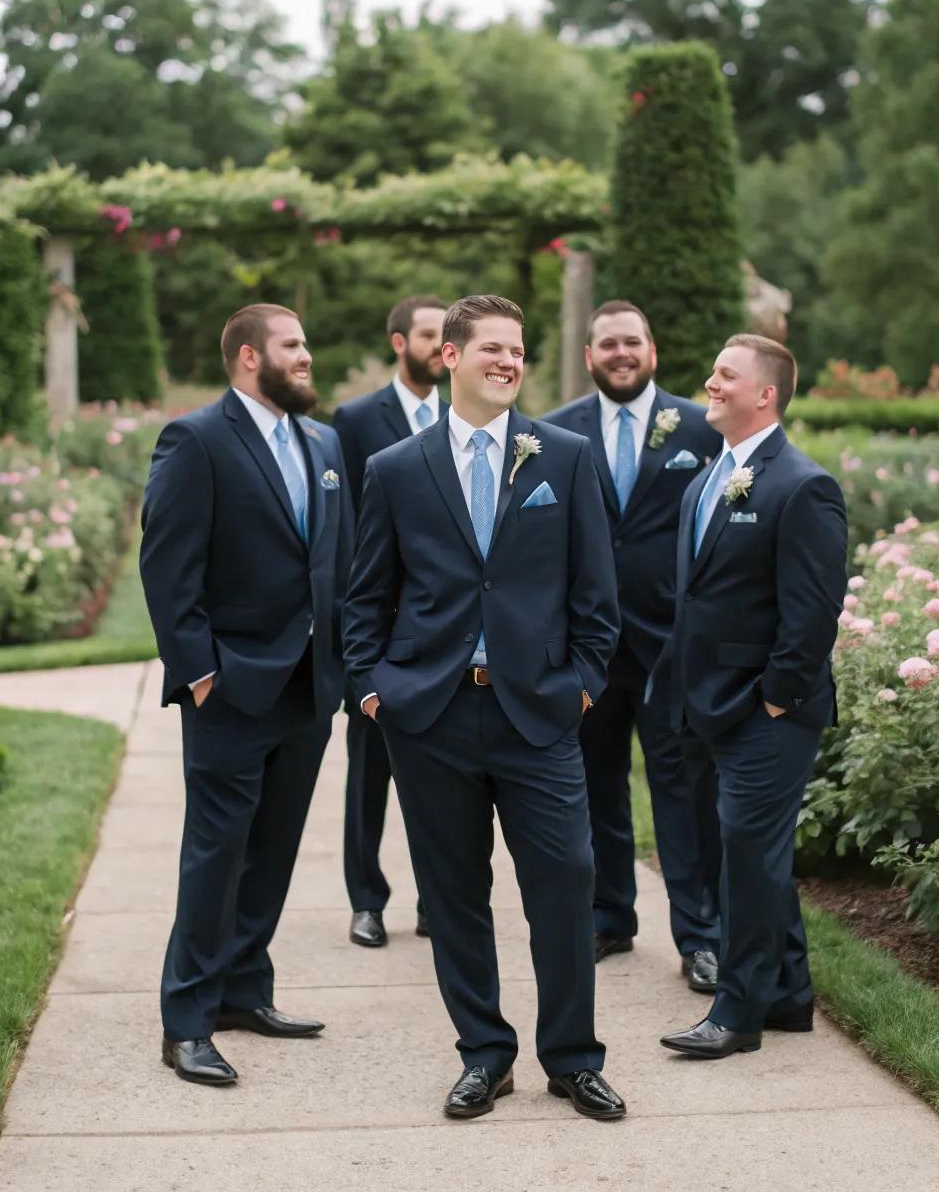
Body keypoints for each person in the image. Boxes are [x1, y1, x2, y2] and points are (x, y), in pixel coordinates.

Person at [343, 294, 626, 1121]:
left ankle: (573, 1059)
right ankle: (484, 1056)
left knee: (566, 884)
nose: (509, 361)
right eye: (493, 349)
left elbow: (596, 593)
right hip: (429, 718)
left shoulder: (564, 457)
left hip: (538, 712)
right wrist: (372, 691)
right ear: (450, 359)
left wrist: (580, 681)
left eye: (519, 351)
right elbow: (368, 597)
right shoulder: (395, 467)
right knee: (455, 895)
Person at [140, 303, 354, 1087]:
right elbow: (168, 566)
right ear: (246, 357)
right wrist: (200, 674)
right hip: (229, 688)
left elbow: (341, 562)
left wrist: (344, 666)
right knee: (216, 854)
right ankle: (186, 1021)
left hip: (309, 687)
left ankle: (243, 991)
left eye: (305, 342)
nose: (306, 356)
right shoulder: (195, 440)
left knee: (273, 851)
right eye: (292, 345)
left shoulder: (324, 441)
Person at [650, 334, 847, 1059]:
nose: (710, 382)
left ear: (765, 394)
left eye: (725, 375)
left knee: (747, 855)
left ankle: (738, 1013)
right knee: (747, 854)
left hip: (769, 713)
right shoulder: (708, 479)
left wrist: (775, 700)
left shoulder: (803, 486)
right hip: (707, 702)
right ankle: (791, 995)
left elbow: (813, 614)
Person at [544, 300, 723, 993]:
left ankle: (699, 934)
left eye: (632, 342)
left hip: (672, 644)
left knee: (680, 788)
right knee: (594, 785)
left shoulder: (703, 429)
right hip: (586, 646)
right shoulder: (554, 434)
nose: (620, 353)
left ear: (652, 350)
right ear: (589, 356)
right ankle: (609, 916)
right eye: (607, 344)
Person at [332, 294, 447, 948]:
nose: (440, 345)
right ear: (399, 341)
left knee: (446, 780)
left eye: (446, 334)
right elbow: (349, 534)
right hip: (380, 630)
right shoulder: (353, 421)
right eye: (429, 333)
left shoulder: (471, 416)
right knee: (368, 774)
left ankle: (437, 898)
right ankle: (366, 900)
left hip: (448, 629)